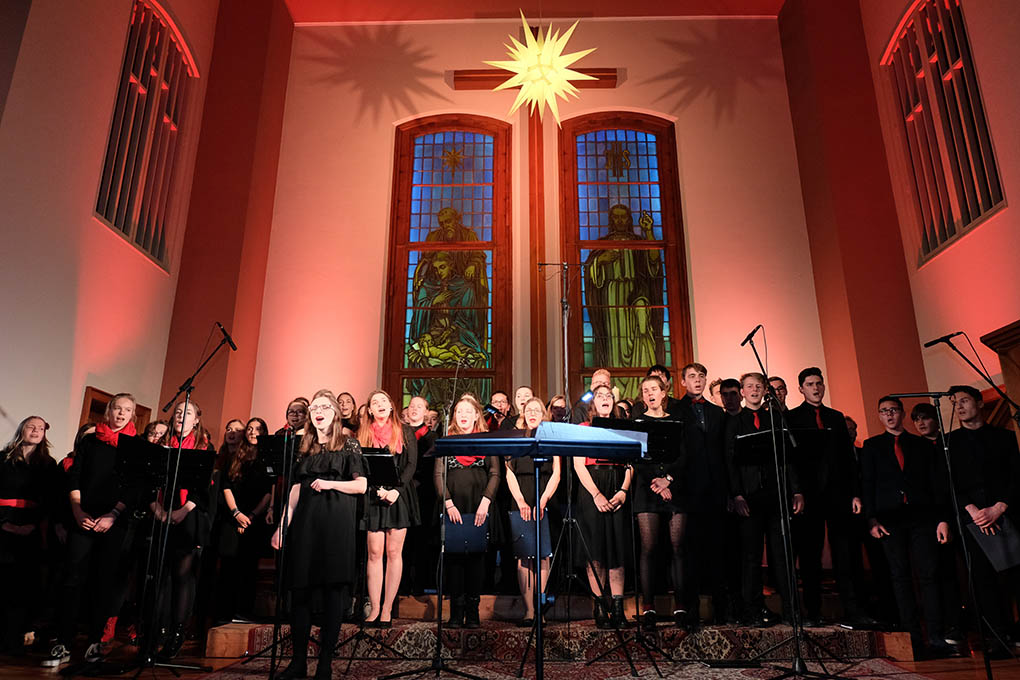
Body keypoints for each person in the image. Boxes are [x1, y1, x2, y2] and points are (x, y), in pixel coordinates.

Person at [271, 389, 365, 680]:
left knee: (333, 592)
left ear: (335, 413)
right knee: (299, 591)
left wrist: (330, 484)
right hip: (306, 524)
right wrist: (282, 525)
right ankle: (298, 662)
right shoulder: (305, 445)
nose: (317, 411)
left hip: (336, 524)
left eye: (324, 406)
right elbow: (297, 489)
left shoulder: (349, 444)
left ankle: (325, 663)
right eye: (314, 408)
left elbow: (361, 486)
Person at [46, 394, 137, 667]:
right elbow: (75, 478)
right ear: (109, 411)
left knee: (103, 582)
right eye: (117, 408)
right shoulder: (89, 441)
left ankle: (94, 643)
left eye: (127, 410)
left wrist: (113, 514)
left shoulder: (136, 446)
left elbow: (134, 488)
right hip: (83, 517)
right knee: (73, 579)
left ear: (132, 415)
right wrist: (77, 511)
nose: (121, 413)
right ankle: (63, 642)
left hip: (114, 521)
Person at [860, 396, 955, 658]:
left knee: (929, 576)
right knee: (900, 578)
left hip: (922, 517)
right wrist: (872, 520)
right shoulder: (872, 446)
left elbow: (937, 485)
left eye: (893, 410)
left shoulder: (921, 446)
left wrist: (942, 519)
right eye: (883, 411)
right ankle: (913, 640)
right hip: (889, 520)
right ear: (879, 416)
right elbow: (867, 484)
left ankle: (936, 638)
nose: (889, 415)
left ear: (902, 413)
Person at [786, 367, 868, 626]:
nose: (816, 388)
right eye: (810, 384)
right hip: (809, 497)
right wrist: (797, 491)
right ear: (801, 388)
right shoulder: (793, 418)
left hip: (839, 495)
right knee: (811, 556)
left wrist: (855, 494)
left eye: (819, 383)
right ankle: (813, 612)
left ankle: (853, 611)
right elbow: (791, 460)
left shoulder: (835, 417)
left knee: (845, 555)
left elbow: (848, 459)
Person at [945, 385, 1020, 657]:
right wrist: (975, 511)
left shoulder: (1005, 437)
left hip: (1005, 515)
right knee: (983, 582)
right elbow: (949, 481)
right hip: (972, 519)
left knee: (1015, 578)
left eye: (964, 400)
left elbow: (1015, 477)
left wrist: (999, 507)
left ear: (979, 402)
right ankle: (998, 639)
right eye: (955, 403)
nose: (960, 407)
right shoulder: (949, 441)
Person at [725, 373, 804, 626]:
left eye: (759, 386)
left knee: (782, 555)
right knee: (751, 557)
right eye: (750, 386)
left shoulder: (776, 418)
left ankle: (792, 610)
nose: (755, 390)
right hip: (749, 497)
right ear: (743, 392)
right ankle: (754, 610)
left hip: (776, 494)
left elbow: (787, 458)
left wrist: (797, 490)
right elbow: (730, 462)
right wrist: (736, 494)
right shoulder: (735, 423)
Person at [152, 400, 217, 659]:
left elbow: (203, 488)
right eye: (178, 412)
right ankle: (156, 630)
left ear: (197, 419)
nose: (181, 416)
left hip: (189, 515)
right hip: (160, 513)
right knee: (159, 576)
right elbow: (149, 481)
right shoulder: (160, 445)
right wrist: (157, 510)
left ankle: (177, 633)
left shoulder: (203, 447)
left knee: (182, 575)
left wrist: (181, 511)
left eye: (187, 413)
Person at [434, 395, 500, 629]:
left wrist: (486, 501)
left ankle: (472, 611)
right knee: (454, 559)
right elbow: (438, 475)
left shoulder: (487, 440)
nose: (462, 415)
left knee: (476, 559)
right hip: (454, 506)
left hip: (478, 505)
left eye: (467, 411)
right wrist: (448, 503)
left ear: (476, 416)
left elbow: (494, 473)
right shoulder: (447, 441)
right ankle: (455, 611)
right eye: (459, 411)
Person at [584, 204, 664, 398]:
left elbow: (653, 262)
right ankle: (616, 388)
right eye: (616, 218)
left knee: (642, 332)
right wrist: (601, 260)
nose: (620, 221)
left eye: (624, 217)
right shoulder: (602, 244)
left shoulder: (638, 241)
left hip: (637, 292)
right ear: (611, 221)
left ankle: (640, 386)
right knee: (615, 344)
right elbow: (590, 272)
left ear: (629, 220)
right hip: (611, 297)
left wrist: (649, 233)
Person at [673, 363, 729, 629]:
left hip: (716, 491)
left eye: (701, 376)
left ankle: (722, 608)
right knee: (689, 552)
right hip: (687, 491)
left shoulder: (718, 412)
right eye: (692, 377)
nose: (697, 380)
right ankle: (691, 611)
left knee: (719, 551)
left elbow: (725, 455)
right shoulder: (675, 409)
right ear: (683, 381)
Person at [358, 390, 419, 627]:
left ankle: (386, 609)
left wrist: (396, 490)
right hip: (373, 496)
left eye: (384, 400)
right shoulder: (362, 433)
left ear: (392, 406)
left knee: (394, 553)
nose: (380, 404)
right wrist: (376, 491)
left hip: (398, 496)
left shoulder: (405, 431)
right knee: (374, 554)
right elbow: (359, 467)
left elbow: (411, 464)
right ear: (370, 410)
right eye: (375, 402)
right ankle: (373, 608)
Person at [575, 386, 632, 628]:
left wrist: (623, 491)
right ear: (593, 403)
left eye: (609, 396)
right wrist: (596, 494)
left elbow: (631, 463)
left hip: (617, 483)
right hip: (591, 487)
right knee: (595, 551)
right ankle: (599, 605)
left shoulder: (623, 426)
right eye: (600, 396)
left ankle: (618, 607)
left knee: (617, 550)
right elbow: (578, 466)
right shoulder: (583, 429)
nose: (605, 399)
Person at [630, 375, 685, 629]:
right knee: (649, 549)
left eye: (654, 389)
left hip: (675, 489)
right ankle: (649, 607)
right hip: (646, 489)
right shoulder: (637, 422)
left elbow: (685, 454)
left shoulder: (677, 420)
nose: (650, 393)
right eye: (645, 390)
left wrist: (669, 479)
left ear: (664, 393)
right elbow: (638, 458)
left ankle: (681, 607)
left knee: (678, 548)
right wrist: (656, 481)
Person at [1, 416, 57, 656]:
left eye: (40, 428)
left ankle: (13, 640)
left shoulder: (48, 464)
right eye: (31, 426)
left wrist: (32, 526)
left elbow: (51, 501)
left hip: (33, 528)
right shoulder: (2, 459)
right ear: (21, 429)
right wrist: (4, 524)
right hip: (2, 525)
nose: (35, 431)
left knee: (23, 586)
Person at [504, 397, 561, 625]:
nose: (533, 413)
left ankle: (541, 610)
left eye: (537, 410)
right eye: (529, 410)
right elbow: (508, 471)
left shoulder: (551, 438)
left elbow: (557, 472)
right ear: (523, 414)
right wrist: (520, 501)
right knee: (523, 556)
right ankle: (528, 611)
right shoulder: (516, 438)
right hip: (521, 498)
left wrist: (544, 499)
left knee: (543, 555)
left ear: (544, 414)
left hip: (546, 497)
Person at [910, 401, 962, 642]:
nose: (920, 423)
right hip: (927, 519)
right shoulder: (914, 447)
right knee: (932, 574)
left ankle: (958, 625)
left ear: (935, 419)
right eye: (916, 419)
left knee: (955, 573)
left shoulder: (951, 443)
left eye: (925, 418)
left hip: (959, 514)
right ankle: (940, 630)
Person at [216, 417, 272, 624]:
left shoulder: (267, 457)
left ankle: (244, 611)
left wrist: (251, 516)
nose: (253, 431)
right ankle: (224, 614)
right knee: (228, 568)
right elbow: (226, 486)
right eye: (250, 428)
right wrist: (236, 513)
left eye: (258, 428)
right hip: (233, 517)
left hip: (254, 519)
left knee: (249, 568)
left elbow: (268, 492)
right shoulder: (236, 456)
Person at [405, 396, 438, 594]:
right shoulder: (400, 433)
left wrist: (417, 482)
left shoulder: (431, 437)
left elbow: (431, 467)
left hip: (423, 494)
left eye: (420, 406)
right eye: (412, 406)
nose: (415, 409)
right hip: (403, 492)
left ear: (426, 413)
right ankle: (404, 583)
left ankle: (420, 583)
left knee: (421, 540)